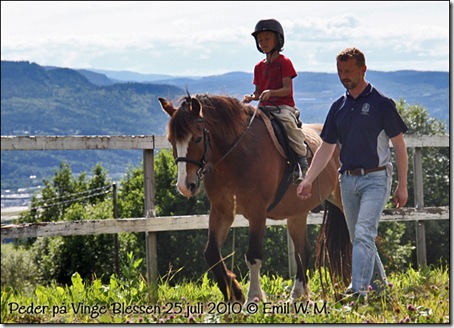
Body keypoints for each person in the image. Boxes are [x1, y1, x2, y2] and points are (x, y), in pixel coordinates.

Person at [296, 47, 408, 299]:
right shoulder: (339, 106)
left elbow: (399, 146)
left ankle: (357, 291)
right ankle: (380, 290)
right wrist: (309, 180)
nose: (344, 75)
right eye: (340, 71)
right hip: (346, 180)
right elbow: (326, 148)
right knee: (360, 237)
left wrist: (402, 185)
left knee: (364, 234)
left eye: (348, 71)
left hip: (376, 178)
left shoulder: (382, 104)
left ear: (363, 69)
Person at [243, 18, 308, 182]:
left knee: (287, 124)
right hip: (263, 108)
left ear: (278, 39)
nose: (263, 42)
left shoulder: (284, 62)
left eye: (267, 39)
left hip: (282, 107)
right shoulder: (258, 67)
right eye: (260, 40)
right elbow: (258, 92)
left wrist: (271, 92)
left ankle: (302, 162)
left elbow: (287, 89)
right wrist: (251, 97)